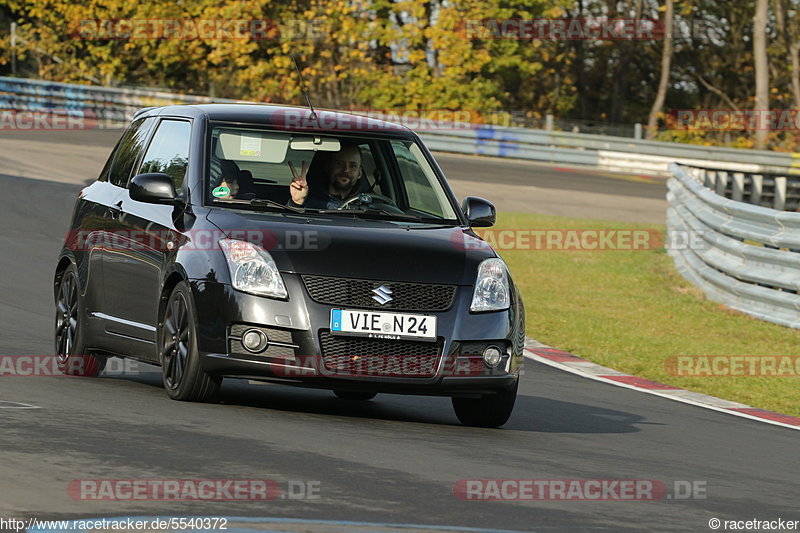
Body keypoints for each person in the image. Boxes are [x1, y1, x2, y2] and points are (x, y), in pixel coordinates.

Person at [288, 142, 363, 209]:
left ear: (359, 173)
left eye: (353, 166)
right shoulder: (310, 202)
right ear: (328, 167)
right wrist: (296, 203)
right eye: (339, 163)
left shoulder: (368, 204)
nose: (346, 169)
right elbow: (288, 223)